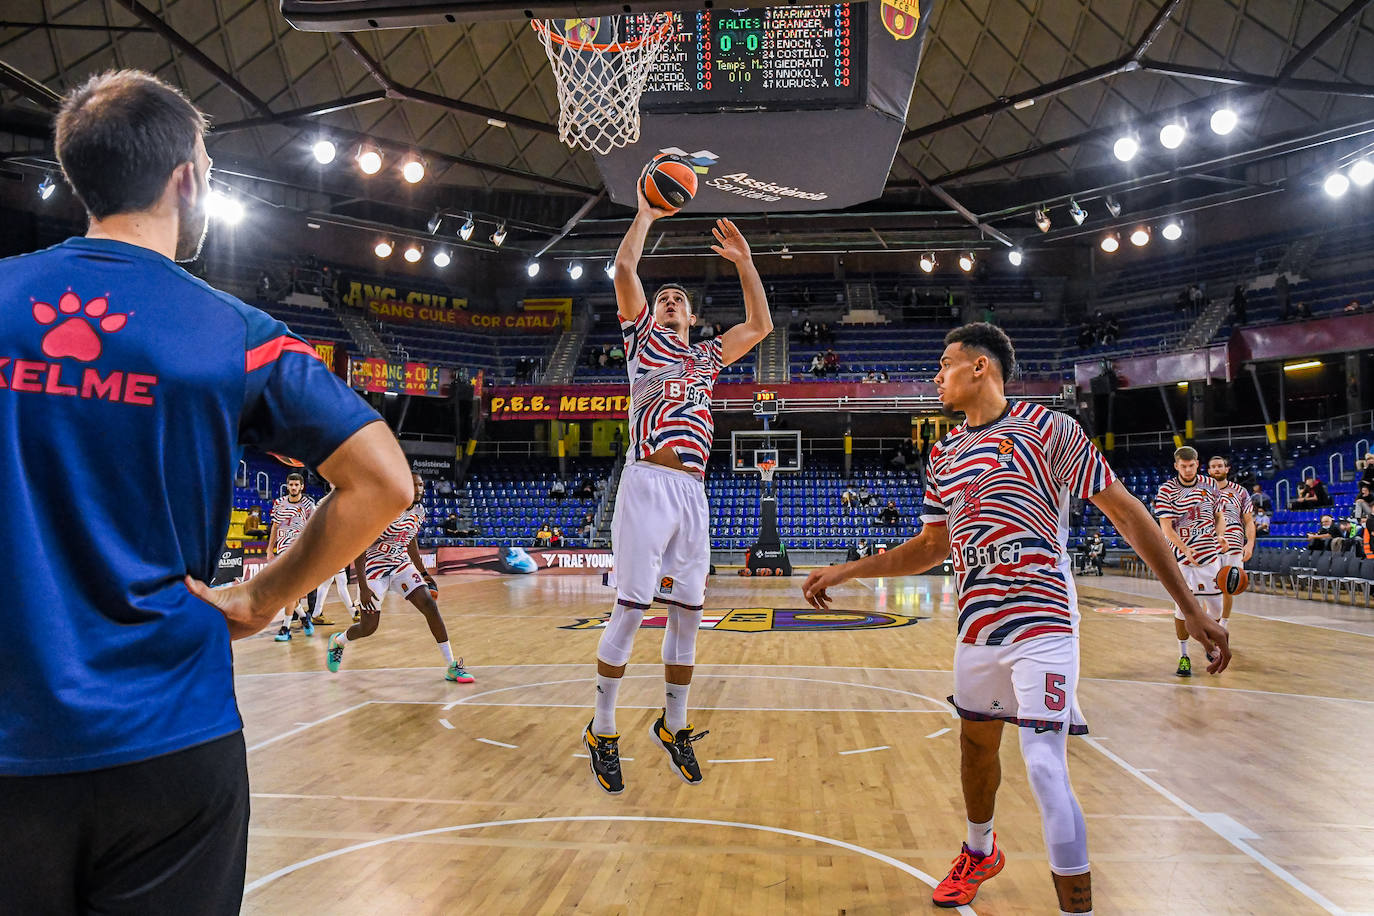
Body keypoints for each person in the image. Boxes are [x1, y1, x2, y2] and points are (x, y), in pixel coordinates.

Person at [0, 69, 413, 914]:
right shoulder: (235, 332)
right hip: (168, 732)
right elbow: (383, 481)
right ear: (186, 179)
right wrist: (261, 597)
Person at [801, 323, 1228, 913]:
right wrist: (848, 572)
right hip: (976, 628)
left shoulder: (1052, 431)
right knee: (975, 745)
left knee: (1044, 765)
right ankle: (980, 850)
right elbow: (931, 548)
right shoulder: (943, 453)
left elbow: (1130, 518)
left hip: (1044, 622)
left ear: (980, 367)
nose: (937, 375)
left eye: (945, 363)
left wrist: (1192, 609)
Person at [585, 183, 772, 796]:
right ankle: (604, 728)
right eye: (663, 297)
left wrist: (745, 262)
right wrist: (644, 213)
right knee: (633, 607)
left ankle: (674, 724)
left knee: (689, 613)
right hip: (647, 484)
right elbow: (624, 266)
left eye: (678, 300)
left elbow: (760, 324)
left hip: (694, 494)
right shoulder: (641, 343)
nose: (668, 301)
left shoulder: (710, 360)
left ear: (692, 319)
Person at [328, 474, 472, 683]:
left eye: (421, 485)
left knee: (429, 605)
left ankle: (451, 666)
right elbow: (360, 547)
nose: (419, 488)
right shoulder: (384, 511)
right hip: (373, 567)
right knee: (368, 627)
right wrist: (363, 587)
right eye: (414, 485)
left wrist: (423, 573)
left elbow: (411, 539)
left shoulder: (419, 511)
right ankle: (339, 641)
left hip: (400, 563)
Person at [1155, 446, 1227, 677]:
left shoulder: (1210, 485)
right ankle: (1183, 656)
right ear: (1176, 466)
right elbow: (1165, 527)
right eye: (1183, 466)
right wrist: (1184, 549)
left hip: (1210, 556)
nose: (1187, 469)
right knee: (1183, 608)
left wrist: (1221, 535)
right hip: (1182, 558)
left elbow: (1219, 516)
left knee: (1216, 607)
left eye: (1191, 465)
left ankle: (1210, 644)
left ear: (1197, 463)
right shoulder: (1167, 489)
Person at [267, 472, 318, 641]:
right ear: (287, 486)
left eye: (297, 485)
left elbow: (315, 529)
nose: (294, 487)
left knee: (289, 590)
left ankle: (285, 628)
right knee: (286, 591)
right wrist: (269, 549)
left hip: (299, 552)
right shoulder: (279, 503)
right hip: (282, 551)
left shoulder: (309, 505)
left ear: (302, 486)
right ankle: (304, 618)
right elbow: (274, 527)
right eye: (291, 485)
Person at [1207, 456, 1254, 632]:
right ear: (1209, 471)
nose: (1217, 469)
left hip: (1233, 546)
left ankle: (1223, 626)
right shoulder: (1201, 492)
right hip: (1209, 546)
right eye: (1213, 467)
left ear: (1227, 469)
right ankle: (1211, 624)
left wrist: (1249, 544)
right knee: (1210, 589)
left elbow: (1249, 521)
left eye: (1220, 466)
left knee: (1228, 587)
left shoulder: (1240, 491)